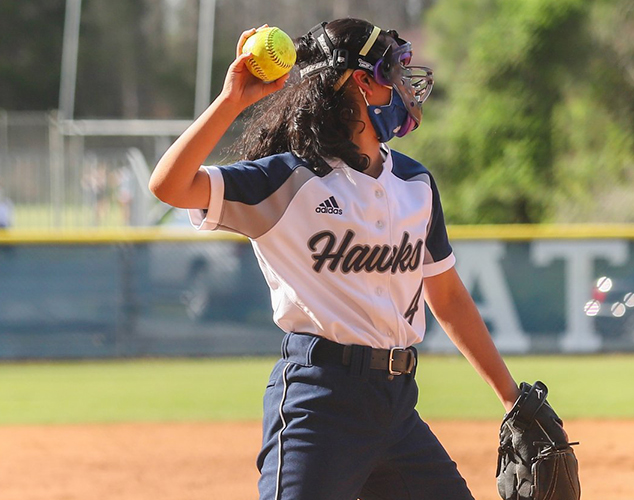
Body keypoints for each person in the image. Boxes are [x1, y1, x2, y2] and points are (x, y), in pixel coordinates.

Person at [149, 19, 515, 499]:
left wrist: (511, 398)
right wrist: (232, 101)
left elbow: (445, 295)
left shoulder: (414, 182)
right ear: (361, 82)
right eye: (393, 72)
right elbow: (169, 185)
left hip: (398, 407)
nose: (406, 86)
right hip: (321, 404)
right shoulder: (286, 180)